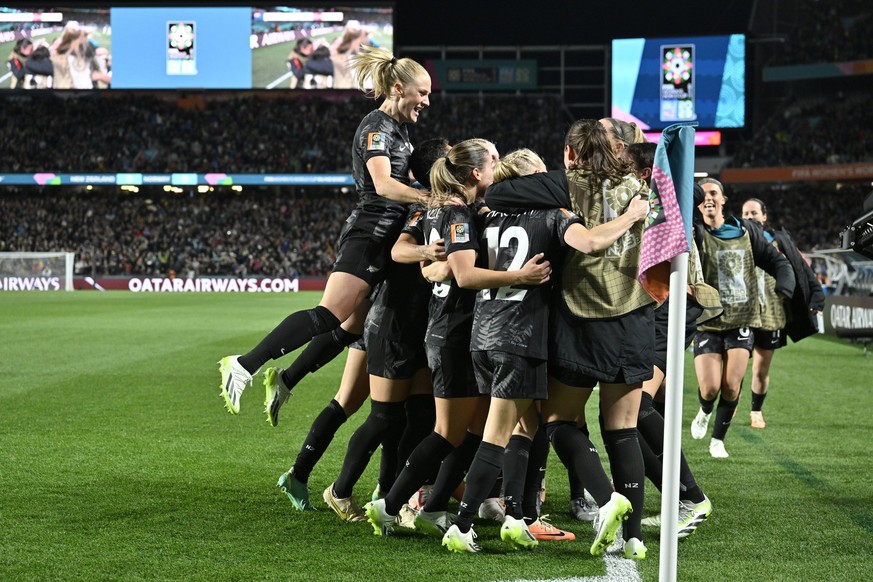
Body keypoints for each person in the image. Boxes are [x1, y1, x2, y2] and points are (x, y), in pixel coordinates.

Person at [440, 139, 651, 555]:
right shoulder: (554, 216)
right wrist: (631, 215)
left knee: (524, 428)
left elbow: (452, 266)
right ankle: (460, 524)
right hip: (523, 337)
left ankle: (518, 518)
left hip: (483, 334)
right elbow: (590, 243)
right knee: (500, 434)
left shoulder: (483, 216)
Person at [218, 46, 431, 419]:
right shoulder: (376, 128)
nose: (426, 101)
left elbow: (400, 178)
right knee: (328, 316)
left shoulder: (400, 131)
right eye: (423, 93)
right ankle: (243, 364)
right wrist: (429, 199)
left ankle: (286, 379)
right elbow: (383, 185)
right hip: (370, 234)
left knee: (352, 327)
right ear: (398, 88)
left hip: (384, 238)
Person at [271, 139, 449, 513]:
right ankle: (317, 479)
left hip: (399, 319)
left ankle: (382, 491)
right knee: (362, 407)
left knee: (383, 411)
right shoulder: (414, 204)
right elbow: (394, 252)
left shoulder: (420, 203)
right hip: (387, 320)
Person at [690, 180, 795, 458]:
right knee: (710, 387)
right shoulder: (694, 233)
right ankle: (704, 410)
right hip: (709, 320)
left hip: (742, 318)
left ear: (723, 199)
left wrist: (785, 285)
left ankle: (718, 440)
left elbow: (778, 261)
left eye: (714, 193)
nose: (709, 198)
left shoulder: (745, 231)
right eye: (703, 195)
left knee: (731, 384)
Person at [740, 197, 825, 428]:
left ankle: (756, 411)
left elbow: (802, 268)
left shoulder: (780, 240)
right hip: (741, 312)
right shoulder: (734, 238)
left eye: (754, 213)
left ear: (764, 216)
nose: (749, 217)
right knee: (735, 367)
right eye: (745, 213)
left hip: (772, 314)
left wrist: (816, 297)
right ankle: (728, 403)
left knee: (760, 369)